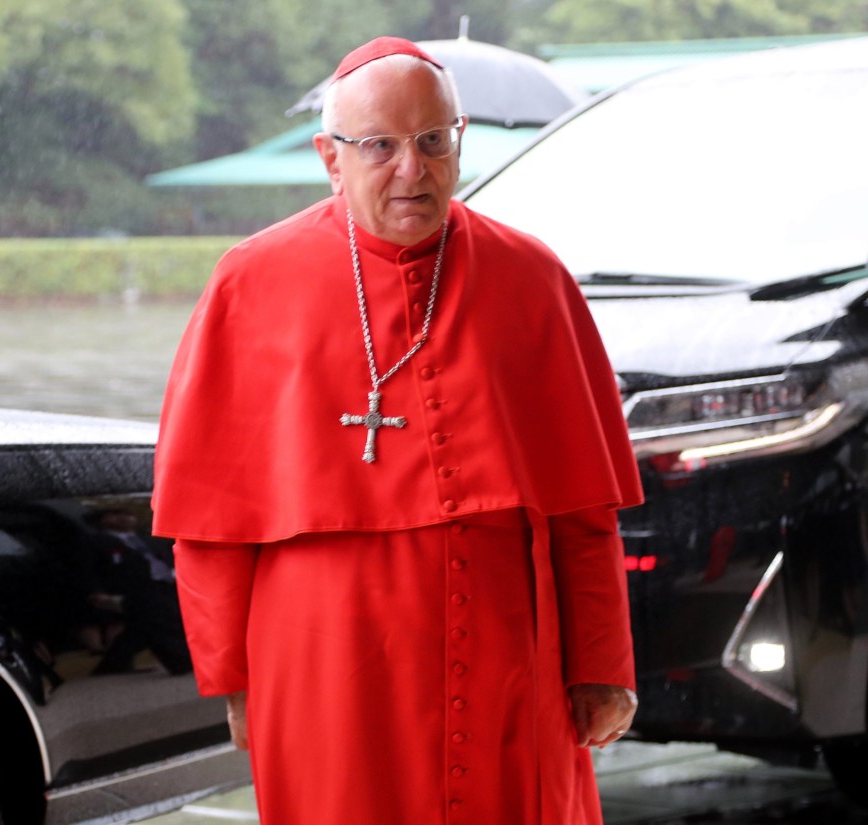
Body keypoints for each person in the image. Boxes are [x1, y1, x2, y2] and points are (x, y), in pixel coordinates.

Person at [152, 36, 643, 825]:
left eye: (432, 141)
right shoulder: (251, 281)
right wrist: (232, 677)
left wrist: (603, 663)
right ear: (329, 155)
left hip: (504, 654)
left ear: (460, 139)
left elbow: (585, 508)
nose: (412, 169)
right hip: (323, 660)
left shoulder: (533, 277)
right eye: (380, 145)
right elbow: (208, 518)